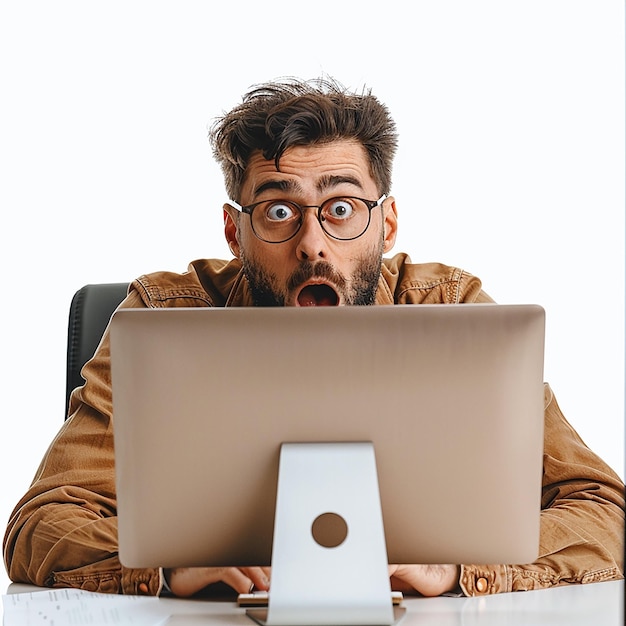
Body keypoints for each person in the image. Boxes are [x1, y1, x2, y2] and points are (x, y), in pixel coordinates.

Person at [3, 77, 624, 599]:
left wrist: (460, 570)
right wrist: (165, 567)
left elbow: (605, 510)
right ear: (233, 229)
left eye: (342, 207)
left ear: (388, 221)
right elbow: (42, 523)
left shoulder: (450, 310)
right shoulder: (160, 318)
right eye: (279, 210)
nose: (313, 243)